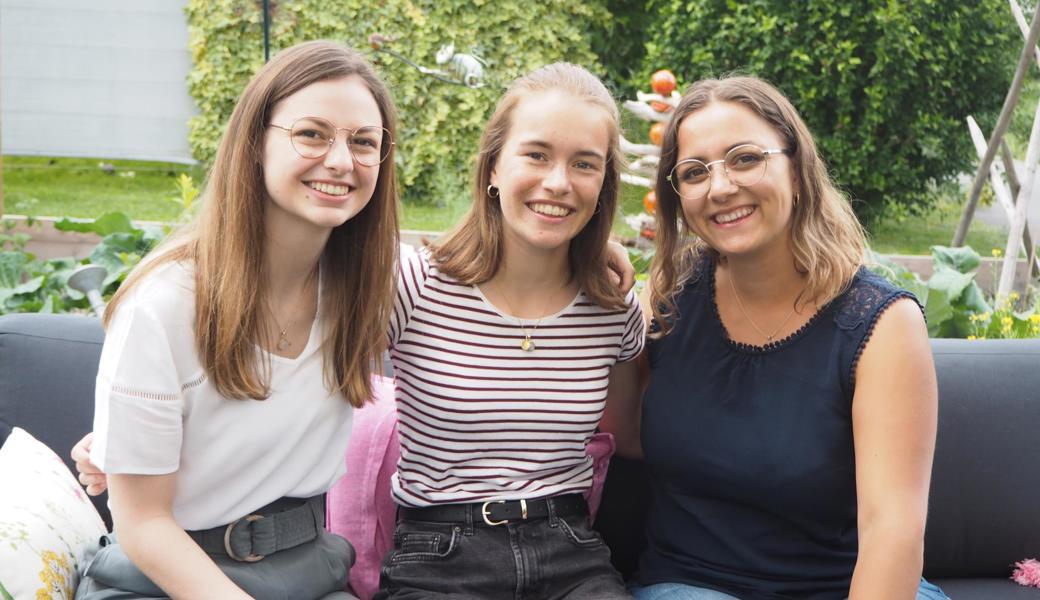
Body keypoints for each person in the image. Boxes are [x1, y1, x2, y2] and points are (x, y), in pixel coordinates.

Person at [74, 41, 399, 599]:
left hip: (309, 573)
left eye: (363, 142)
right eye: (312, 133)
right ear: (254, 143)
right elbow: (144, 524)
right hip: (162, 581)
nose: (342, 160)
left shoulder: (367, 286)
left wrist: (602, 257)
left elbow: (506, 274)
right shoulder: (165, 304)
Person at [608, 75, 946, 600]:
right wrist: (590, 280)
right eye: (694, 172)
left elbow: (892, 528)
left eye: (745, 158)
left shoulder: (881, 324)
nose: (720, 188)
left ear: (795, 167)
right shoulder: (668, 302)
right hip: (693, 587)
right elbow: (626, 434)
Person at [374, 62, 644, 599]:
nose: (559, 182)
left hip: (571, 553)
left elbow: (631, 441)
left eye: (584, 165)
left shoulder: (613, 307)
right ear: (493, 166)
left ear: (603, 186)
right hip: (438, 554)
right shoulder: (413, 283)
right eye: (536, 154)